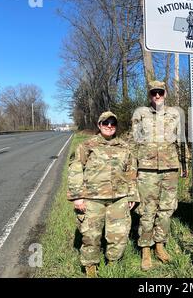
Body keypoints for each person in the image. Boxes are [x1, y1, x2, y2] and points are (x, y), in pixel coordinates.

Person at [67, 111, 139, 278]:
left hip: (119, 199)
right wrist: (78, 196)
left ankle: (113, 263)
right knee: (91, 236)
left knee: (119, 235)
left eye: (112, 123)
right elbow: (75, 169)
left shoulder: (124, 147)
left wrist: (132, 195)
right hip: (93, 199)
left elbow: (131, 172)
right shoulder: (87, 146)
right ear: (99, 125)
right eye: (105, 123)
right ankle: (90, 268)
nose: (109, 126)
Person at [132, 80, 188, 271]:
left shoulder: (175, 114)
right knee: (147, 211)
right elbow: (134, 142)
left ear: (165, 94)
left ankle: (160, 245)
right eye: (153, 93)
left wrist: (185, 164)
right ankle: (145, 249)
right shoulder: (140, 114)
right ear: (149, 95)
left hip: (170, 168)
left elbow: (181, 140)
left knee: (166, 209)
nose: (157, 96)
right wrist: (133, 168)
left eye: (160, 92)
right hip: (146, 169)